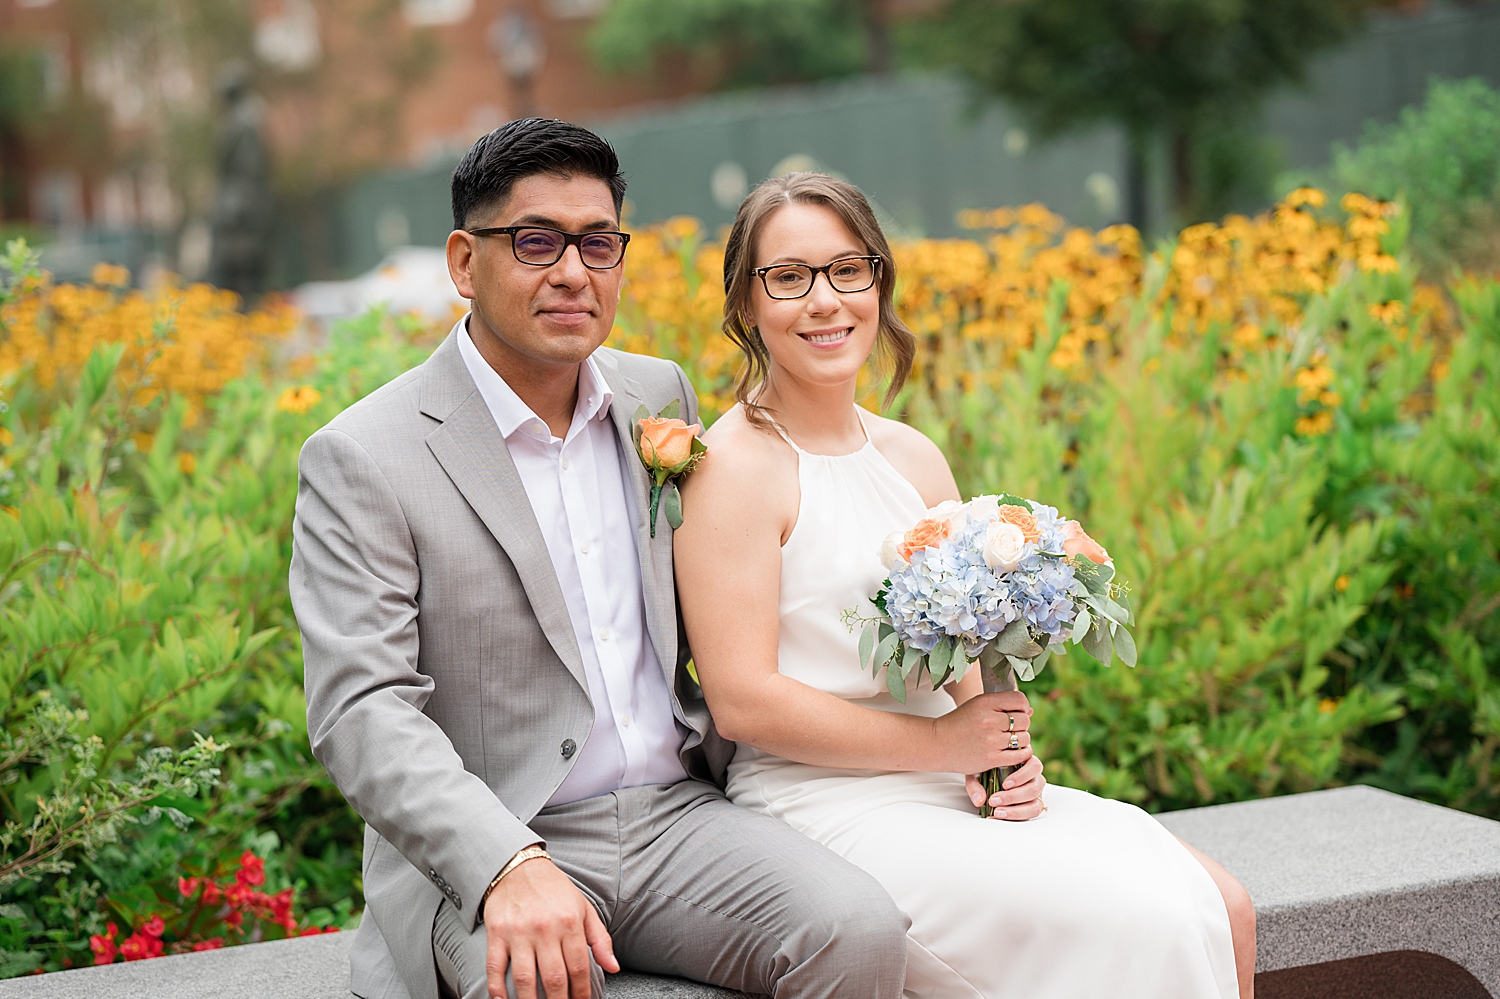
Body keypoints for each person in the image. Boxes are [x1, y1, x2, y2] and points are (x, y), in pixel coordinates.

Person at [289, 121, 910, 999]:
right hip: (503, 831)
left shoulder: (656, 397)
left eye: (599, 243)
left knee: (858, 931)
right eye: (536, 242)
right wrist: (504, 863)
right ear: (465, 263)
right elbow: (361, 708)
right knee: (538, 985)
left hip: (680, 820)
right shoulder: (365, 455)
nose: (574, 272)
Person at [673, 171, 1259, 999]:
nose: (824, 301)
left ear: (879, 282)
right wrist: (946, 746)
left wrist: (1001, 758)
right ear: (747, 302)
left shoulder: (911, 456)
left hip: (942, 784)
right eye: (790, 277)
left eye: (848, 270)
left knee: (1223, 905)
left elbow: (956, 673)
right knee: (1138, 919)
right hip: (820, 808)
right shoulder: (732, 468)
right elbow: (743, 701)